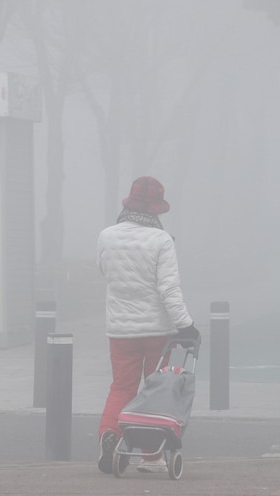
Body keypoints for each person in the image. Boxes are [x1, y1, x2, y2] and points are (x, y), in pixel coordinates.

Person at [95, 175, 199, 474]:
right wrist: (186, 324)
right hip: (157, 332)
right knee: (156, 389)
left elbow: (104, 271)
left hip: (120, 330)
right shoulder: (161, 240)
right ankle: (151, 458)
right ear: (156, 208)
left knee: (121, 387)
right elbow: (169, 288)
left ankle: (110, 433)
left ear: (129, 202)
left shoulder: (107, 235)